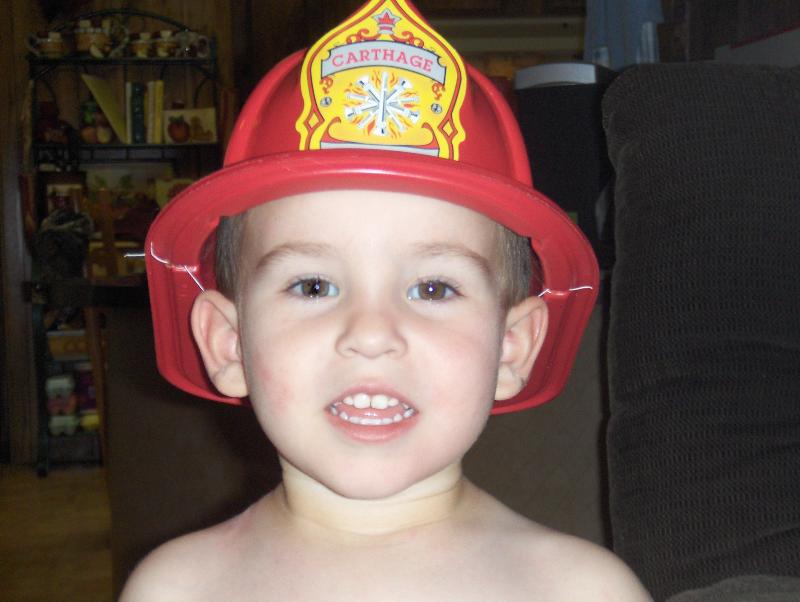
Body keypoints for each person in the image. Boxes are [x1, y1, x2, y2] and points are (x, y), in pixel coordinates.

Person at [121, 1, 651, 600]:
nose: (371, 334)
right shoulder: (175, 589)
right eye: (313, 286)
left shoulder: (582, 592)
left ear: (511, 347)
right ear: (228, 344)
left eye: (433, 288)